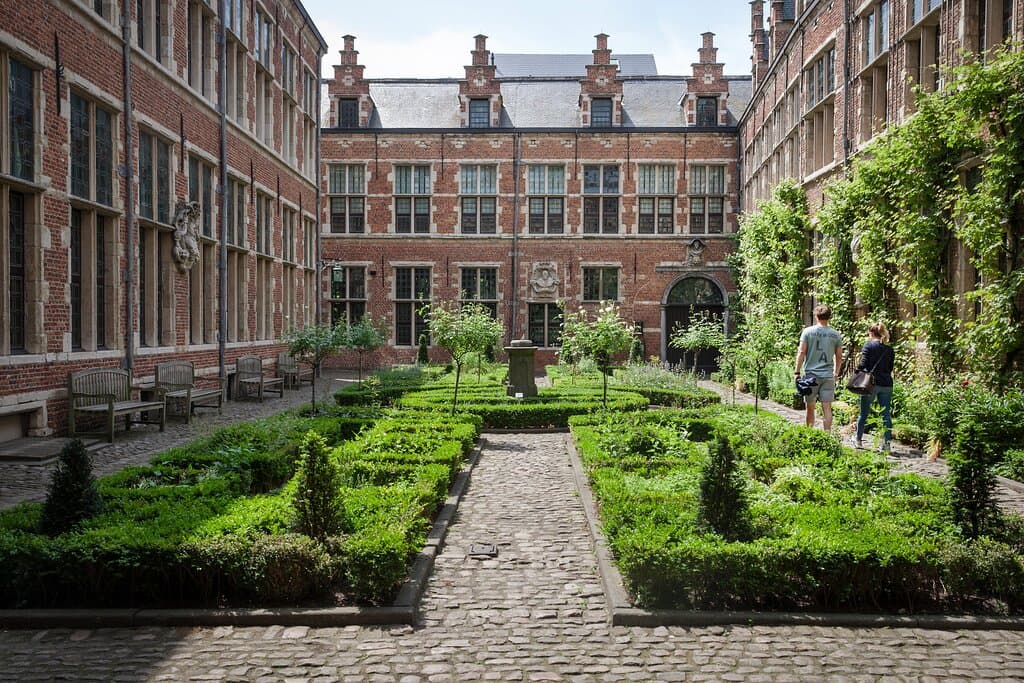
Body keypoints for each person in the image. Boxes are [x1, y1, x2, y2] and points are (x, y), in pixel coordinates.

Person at [795, 304, 843, 431]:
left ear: (816, 316)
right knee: (827, 408)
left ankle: (809, 433)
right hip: (828, 376)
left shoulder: (808, 332)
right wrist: (836, 372)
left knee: (810, 407)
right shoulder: (835, 334)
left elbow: (801, 352)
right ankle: (827, 436)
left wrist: (797, 372)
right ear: (829, 317)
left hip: (811, 376)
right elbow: (839, 356)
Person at [854, 322, 895, 451]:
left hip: (870, 384)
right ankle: (887, 444)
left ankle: (859, 440)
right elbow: (890, 368)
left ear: (871, 333)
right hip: (886, 384)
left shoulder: (868, 346)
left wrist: (858, 370)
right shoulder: (889, 349)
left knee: (864, 413)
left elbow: (863, 364)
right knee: (886, 415)